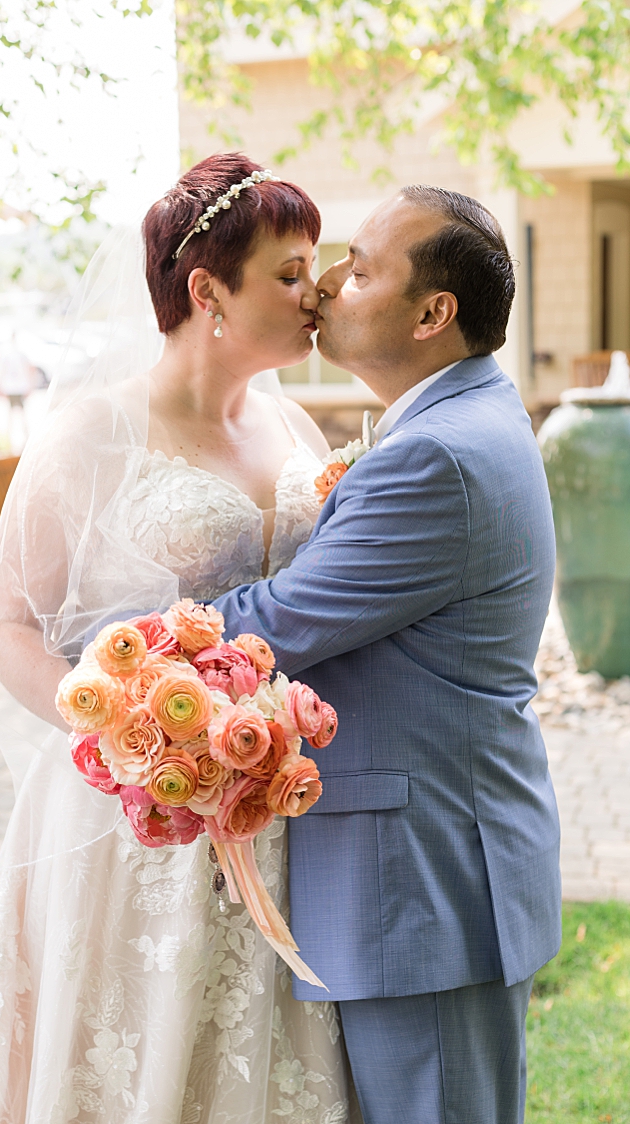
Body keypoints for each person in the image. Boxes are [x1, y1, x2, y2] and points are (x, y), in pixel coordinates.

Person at [0, 153, 351, 1123]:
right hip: (127, 810)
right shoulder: (93, 433)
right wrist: (123, 736)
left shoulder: (292, 428)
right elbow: (6, 622)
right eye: (288, 274)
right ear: (208, 290)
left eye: (313, 268)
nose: (313, 293)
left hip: (267, 799)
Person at [210, 186, 560, 1124]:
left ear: (432, 313)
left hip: (425, 885)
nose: (329, 282)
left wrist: (129, 623)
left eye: (360, 268)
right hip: (438, 865)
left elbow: (278, 623)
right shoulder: (467, 418)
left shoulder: (433, 457)